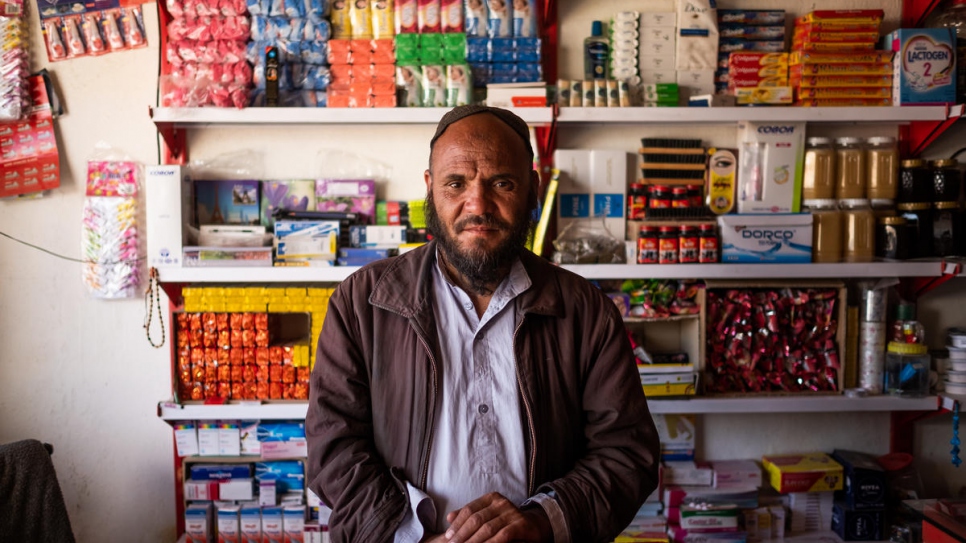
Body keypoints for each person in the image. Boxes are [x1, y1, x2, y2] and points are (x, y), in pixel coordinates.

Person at [306, 104, 660, 543]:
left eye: (502, 183)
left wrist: (543, 521)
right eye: (456, 183)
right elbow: (332, 448)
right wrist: (409, 535)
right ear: (430, 189)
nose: (478, 205)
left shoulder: (585, 311)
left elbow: (627, 452)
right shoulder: (363, 303)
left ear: (532, 189)